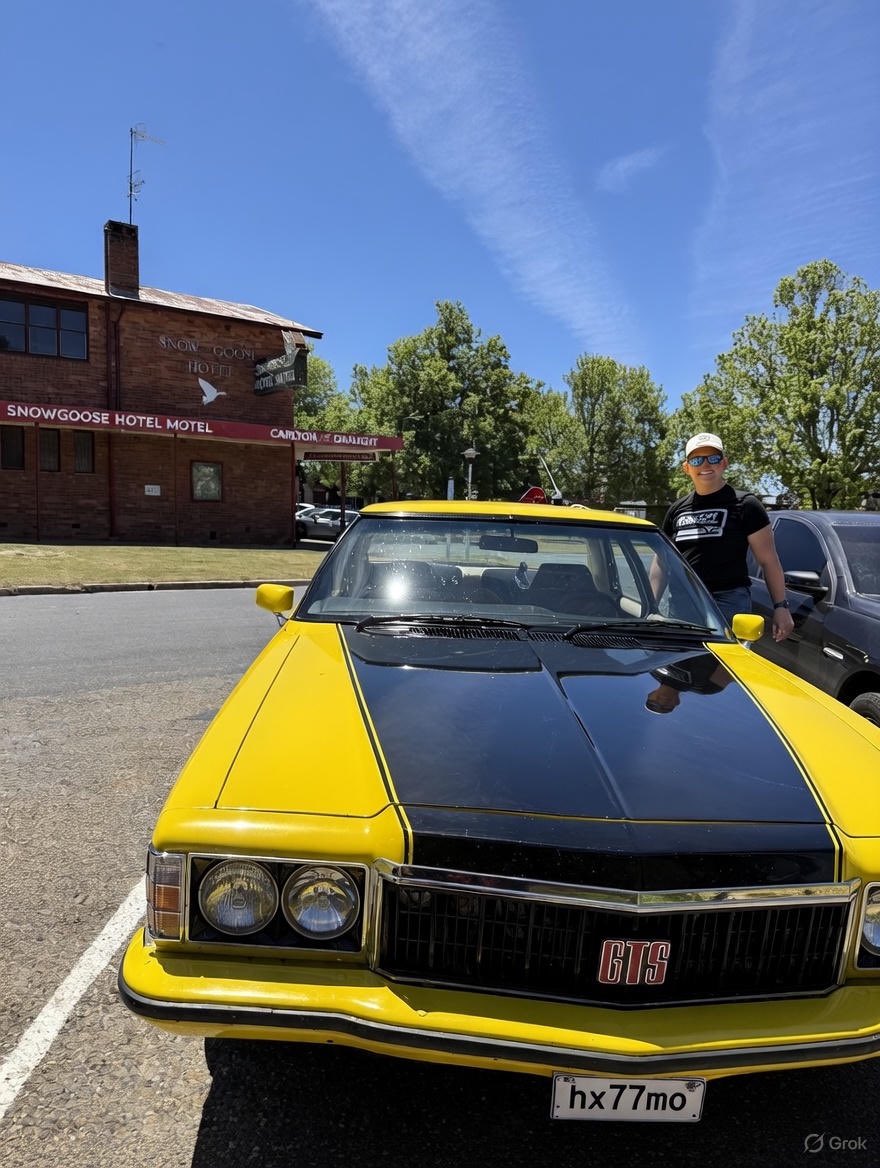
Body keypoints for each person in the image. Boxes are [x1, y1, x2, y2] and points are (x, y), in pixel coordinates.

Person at [650, 432, 794, 642]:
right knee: (683, 666)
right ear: (686, 468)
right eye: (697, 460)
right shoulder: (676, 510)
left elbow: (768, 560)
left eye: (713, 458)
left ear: (724, 463)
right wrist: (650, 605)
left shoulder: (746, 505)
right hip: (682, 600)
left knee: (722, 668)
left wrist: (781, 607)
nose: (705, 465)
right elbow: (662, 561)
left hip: (728, 601)